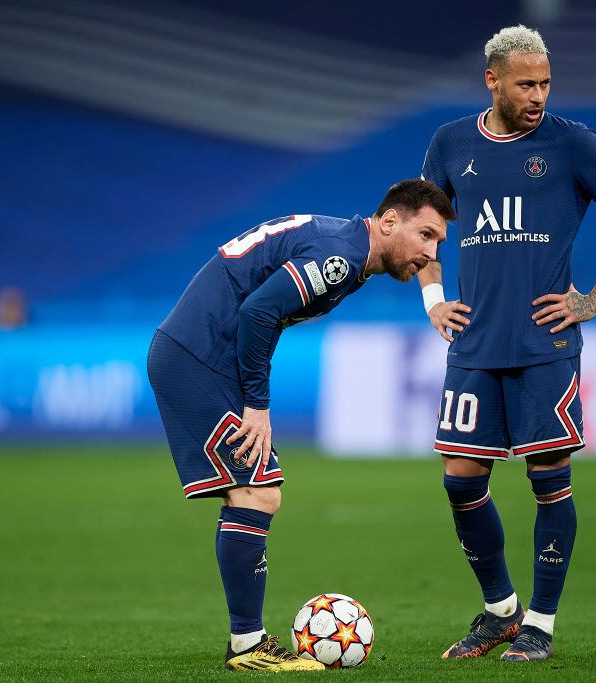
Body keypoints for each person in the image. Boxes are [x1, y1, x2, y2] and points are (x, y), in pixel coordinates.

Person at [418, 25, 596, 662]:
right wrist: (433, 299)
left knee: (549, 479)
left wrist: (594, 299)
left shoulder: (573, 143)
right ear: (491, 79)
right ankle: (501, 612)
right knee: (460, 478)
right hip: (473, 345)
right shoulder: (449, 143)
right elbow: (424, 229)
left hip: (545, 345)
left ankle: (541, 625)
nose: (539, 95)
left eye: (546, 82)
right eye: (526, 83)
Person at [147, 179, 454, 672]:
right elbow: (259, 311)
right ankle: (247, 647)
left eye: (438, 242)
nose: (431, 252)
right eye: (426, 235)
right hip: (199, 358)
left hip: (200, 355)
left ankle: (247, 642)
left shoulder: (346, 244)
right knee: (257, 492)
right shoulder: (342, 257)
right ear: (390, 221)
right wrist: (258, 405)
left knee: (255, 491)